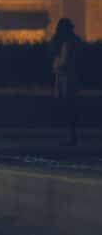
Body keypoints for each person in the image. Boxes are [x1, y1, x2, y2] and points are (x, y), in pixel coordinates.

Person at [50, 18, 81, 146]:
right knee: (70, 107)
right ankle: (71, 136)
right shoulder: (72, 42)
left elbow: (65, 62)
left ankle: (71, 136)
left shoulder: (68, 44)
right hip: (69, 78)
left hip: (67, 78)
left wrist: (56, 65)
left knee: (69, 107)